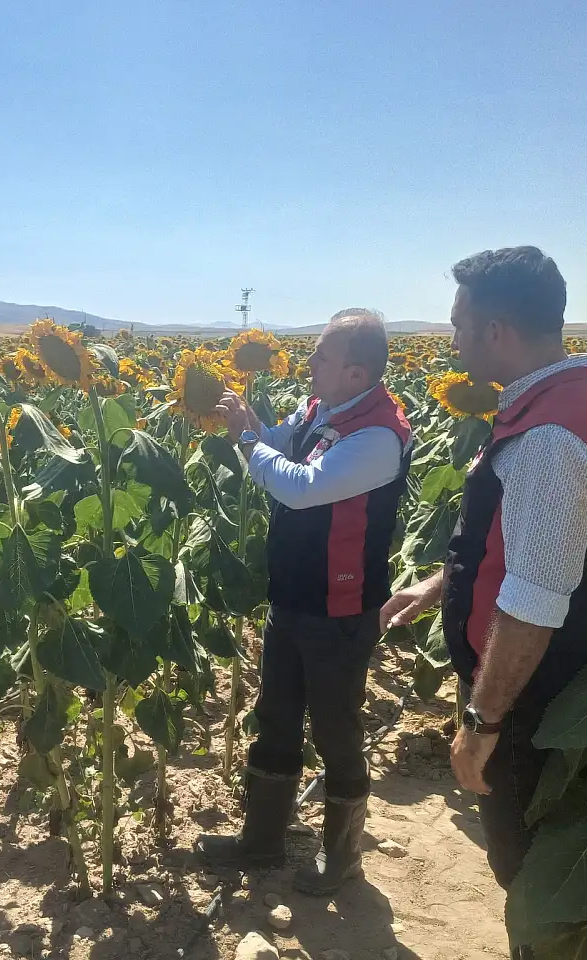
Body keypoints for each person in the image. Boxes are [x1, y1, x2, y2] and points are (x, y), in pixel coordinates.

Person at [380, 247, 587, 958]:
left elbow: (535, 599)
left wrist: (482, 722)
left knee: (530, 870)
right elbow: (534, 543)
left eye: (459, 325)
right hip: (541, 679)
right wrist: (441, 586)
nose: (451, 341)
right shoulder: (565, 403)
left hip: (530, 698)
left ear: (495, 330)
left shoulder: (550, 437)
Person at [198, 309, 414, 895]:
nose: (308, 362)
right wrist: (249, 426)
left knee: (335, 727)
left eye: (320, 355)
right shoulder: (322, 410)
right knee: (276, 714)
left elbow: (300, 489)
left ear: (355, 370)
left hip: (340, 609)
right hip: (293, 595)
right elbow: (278, 449)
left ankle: (342, 857)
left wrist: (248, 440)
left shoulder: (377, 436)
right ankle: (261, 842)